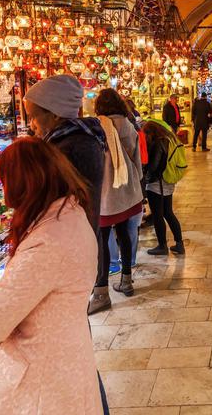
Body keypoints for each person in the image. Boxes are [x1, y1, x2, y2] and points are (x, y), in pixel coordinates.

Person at [0, 137, 102, 415]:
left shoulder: (46, 242)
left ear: (24, 182)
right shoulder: (70, 214)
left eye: (5, 180)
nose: (3, 189)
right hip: (62, 362)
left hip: (39, 382)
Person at [23, 74, 106, 231]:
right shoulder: (74, 140)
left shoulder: (73, 148)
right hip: (76, 239)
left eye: (34, 117)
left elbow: (51, 200)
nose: (32, 125)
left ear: (55, 114)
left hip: (74, 241)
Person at [88, 89, 144, 314]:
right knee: (124, 235)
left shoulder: (96, 126)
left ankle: (101, 292)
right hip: (126, 190)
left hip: (104, 193)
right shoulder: (128, 126)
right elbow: (135, 156)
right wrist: (137, 182)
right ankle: (127, 280)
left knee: (102, 241)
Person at [143, 121, 184, 255]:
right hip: (167, 182)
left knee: (157, 215)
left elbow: (154, 167)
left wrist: (146, 175)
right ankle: (179, 244)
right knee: (168, 213)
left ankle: (162, 246)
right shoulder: (169, 139)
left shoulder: (158, 143)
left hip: (157, 185)